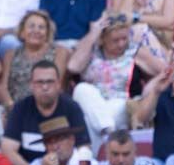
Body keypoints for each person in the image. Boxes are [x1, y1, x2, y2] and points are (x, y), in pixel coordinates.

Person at [68, 11, 164, 147]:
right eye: (115, 40)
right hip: (93, 107)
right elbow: (73, 67)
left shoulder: (134, 51)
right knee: (81, 89)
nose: (121, 44)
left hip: (121, 104)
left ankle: (95, 154)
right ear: (103, 39)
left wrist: (149, 89)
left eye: (124, 39)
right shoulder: (91, 50)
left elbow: (166, 73)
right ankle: (107, 131)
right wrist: (94, 34)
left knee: (92, 122)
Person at [1, 60, 90, 165]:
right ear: (31, 85)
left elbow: (84, 148)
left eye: (50, 82)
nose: (45, 87)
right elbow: (8, 150)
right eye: (39, 82)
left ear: (59, 84)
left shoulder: (71, 107)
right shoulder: (20, 108)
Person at [0, 9, 68, 109]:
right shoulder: (10, 54)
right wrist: (12, 107)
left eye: (41, 27)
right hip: (15, 108)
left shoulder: (60, 52)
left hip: (47, 107)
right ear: (22, 32)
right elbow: (2, 88)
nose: (36, 30)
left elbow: (57, 86)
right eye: (31, 26)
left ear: (47, 33)